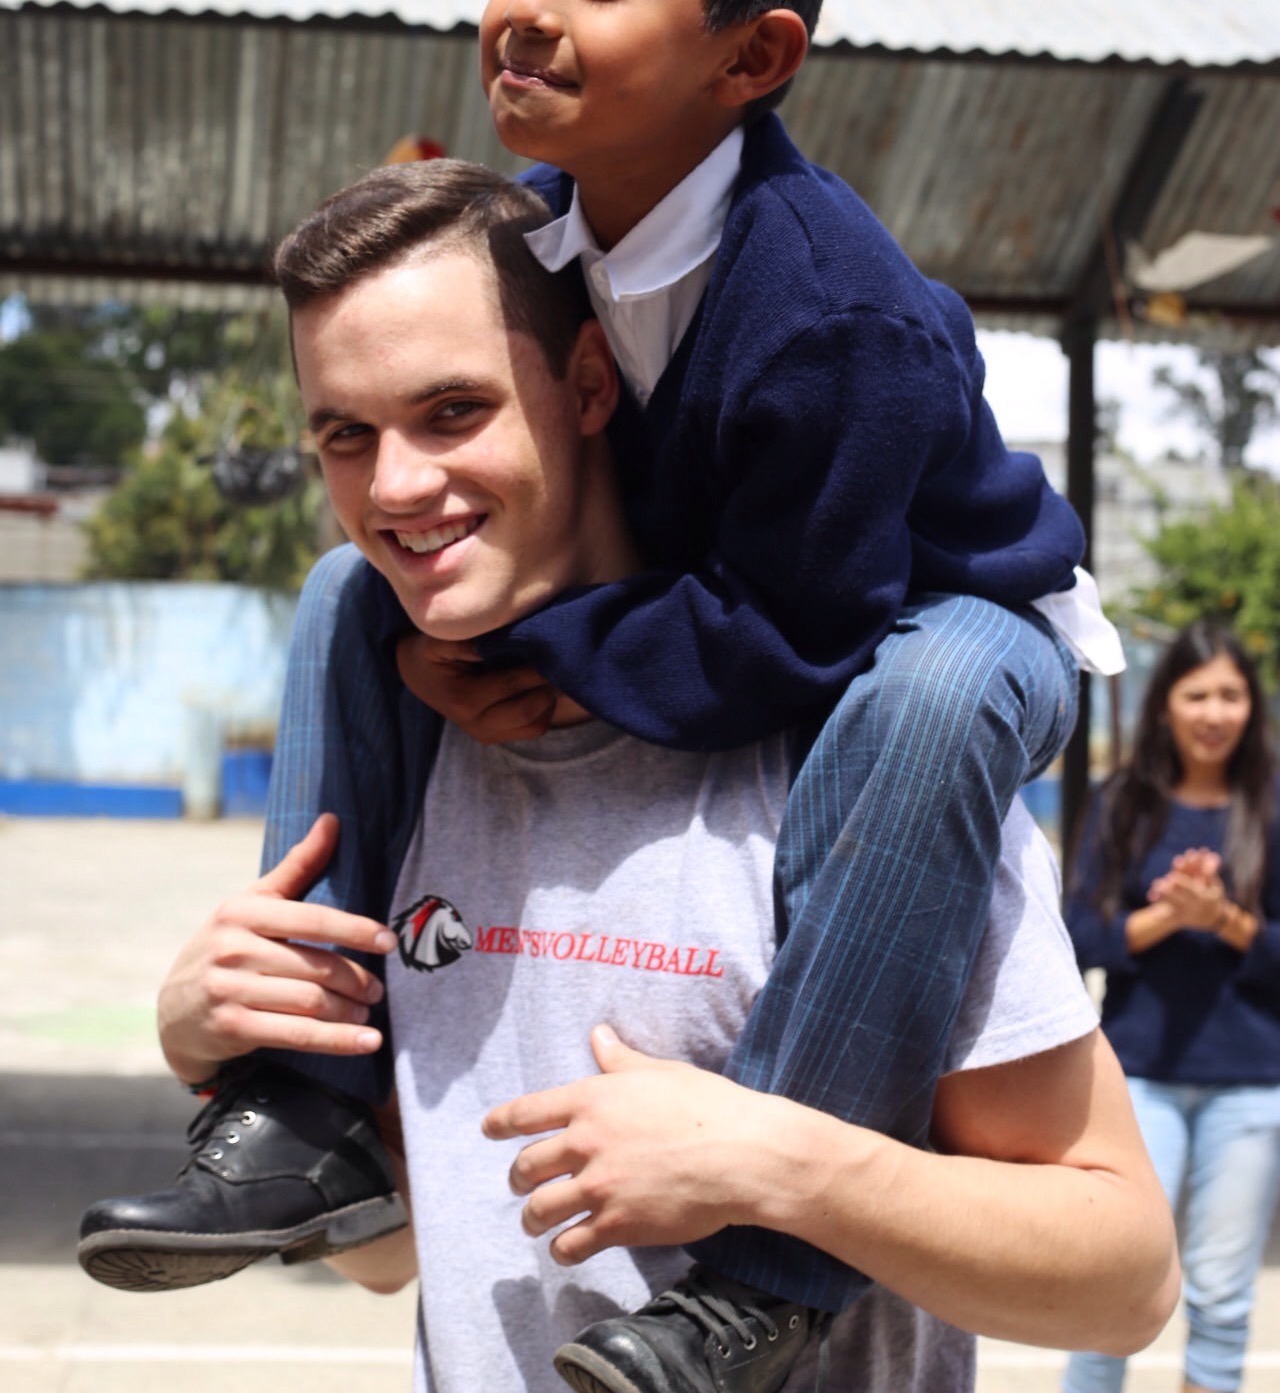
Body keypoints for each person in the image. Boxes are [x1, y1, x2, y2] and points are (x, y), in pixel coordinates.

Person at [80, 0, 1123, 1393]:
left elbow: (799, 631)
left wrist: (554, 648)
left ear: (753, 58)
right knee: (340, 594)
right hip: (752, 603)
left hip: (940, 619)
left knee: (924, 694)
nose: (532, 6)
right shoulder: (558, 229)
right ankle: (296, 1110)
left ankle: (765, 1285)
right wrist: (226, 1027)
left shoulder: (827, 314)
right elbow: (400, 1258)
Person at [139, 161, 1176, 1393]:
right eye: (345, 437)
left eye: (453, 411)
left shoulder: (869, 760)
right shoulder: (407, 745)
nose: (396, 485)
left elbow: (1123, 1284)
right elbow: (397, 1253)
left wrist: (790, 1171)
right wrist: (217, 1048)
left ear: (589, 383)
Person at [1063, 621, 1280, 1393]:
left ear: (1252, 706)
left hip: (1251, 1084)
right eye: (1197, 695)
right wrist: (1168, 917)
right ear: (1165, 705)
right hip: (1136, 1082)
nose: (1214, 713)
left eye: (1231, 695)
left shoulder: (1271, 805)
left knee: (1220, 1297)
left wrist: (1224, 920)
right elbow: (1076, 934)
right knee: (1111, 1286)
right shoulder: (1124, 800)